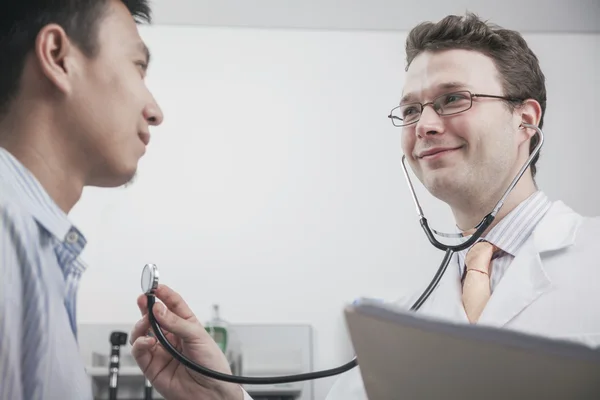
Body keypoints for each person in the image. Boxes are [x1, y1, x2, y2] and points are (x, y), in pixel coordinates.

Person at [127, 12, 600, 400]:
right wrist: (221, 393)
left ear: (525, 120)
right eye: (411, 110)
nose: (425, 125)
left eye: (453, 99)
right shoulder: (404, 320)